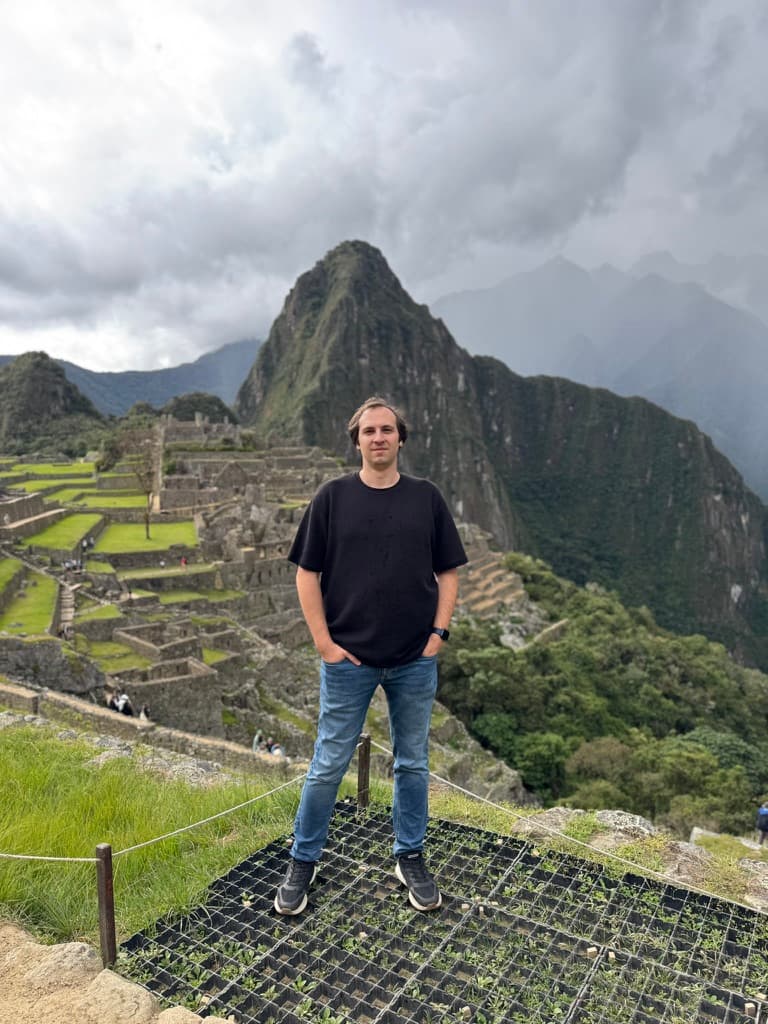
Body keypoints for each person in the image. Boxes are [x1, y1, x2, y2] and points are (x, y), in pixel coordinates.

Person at [274, 396, 467, 916]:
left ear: (400, 438)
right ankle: (303, 858)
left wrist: (439, 634)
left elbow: (448, 570)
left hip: (413, 658)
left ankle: (410, 855)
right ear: (356, 440)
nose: (378, 438)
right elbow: (306, 573)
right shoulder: (332, 498)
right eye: (368, 431)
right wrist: (324, 643)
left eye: (387, 430)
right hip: (348, 659)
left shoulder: (426, 498)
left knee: (412, 762)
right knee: (328, 764)